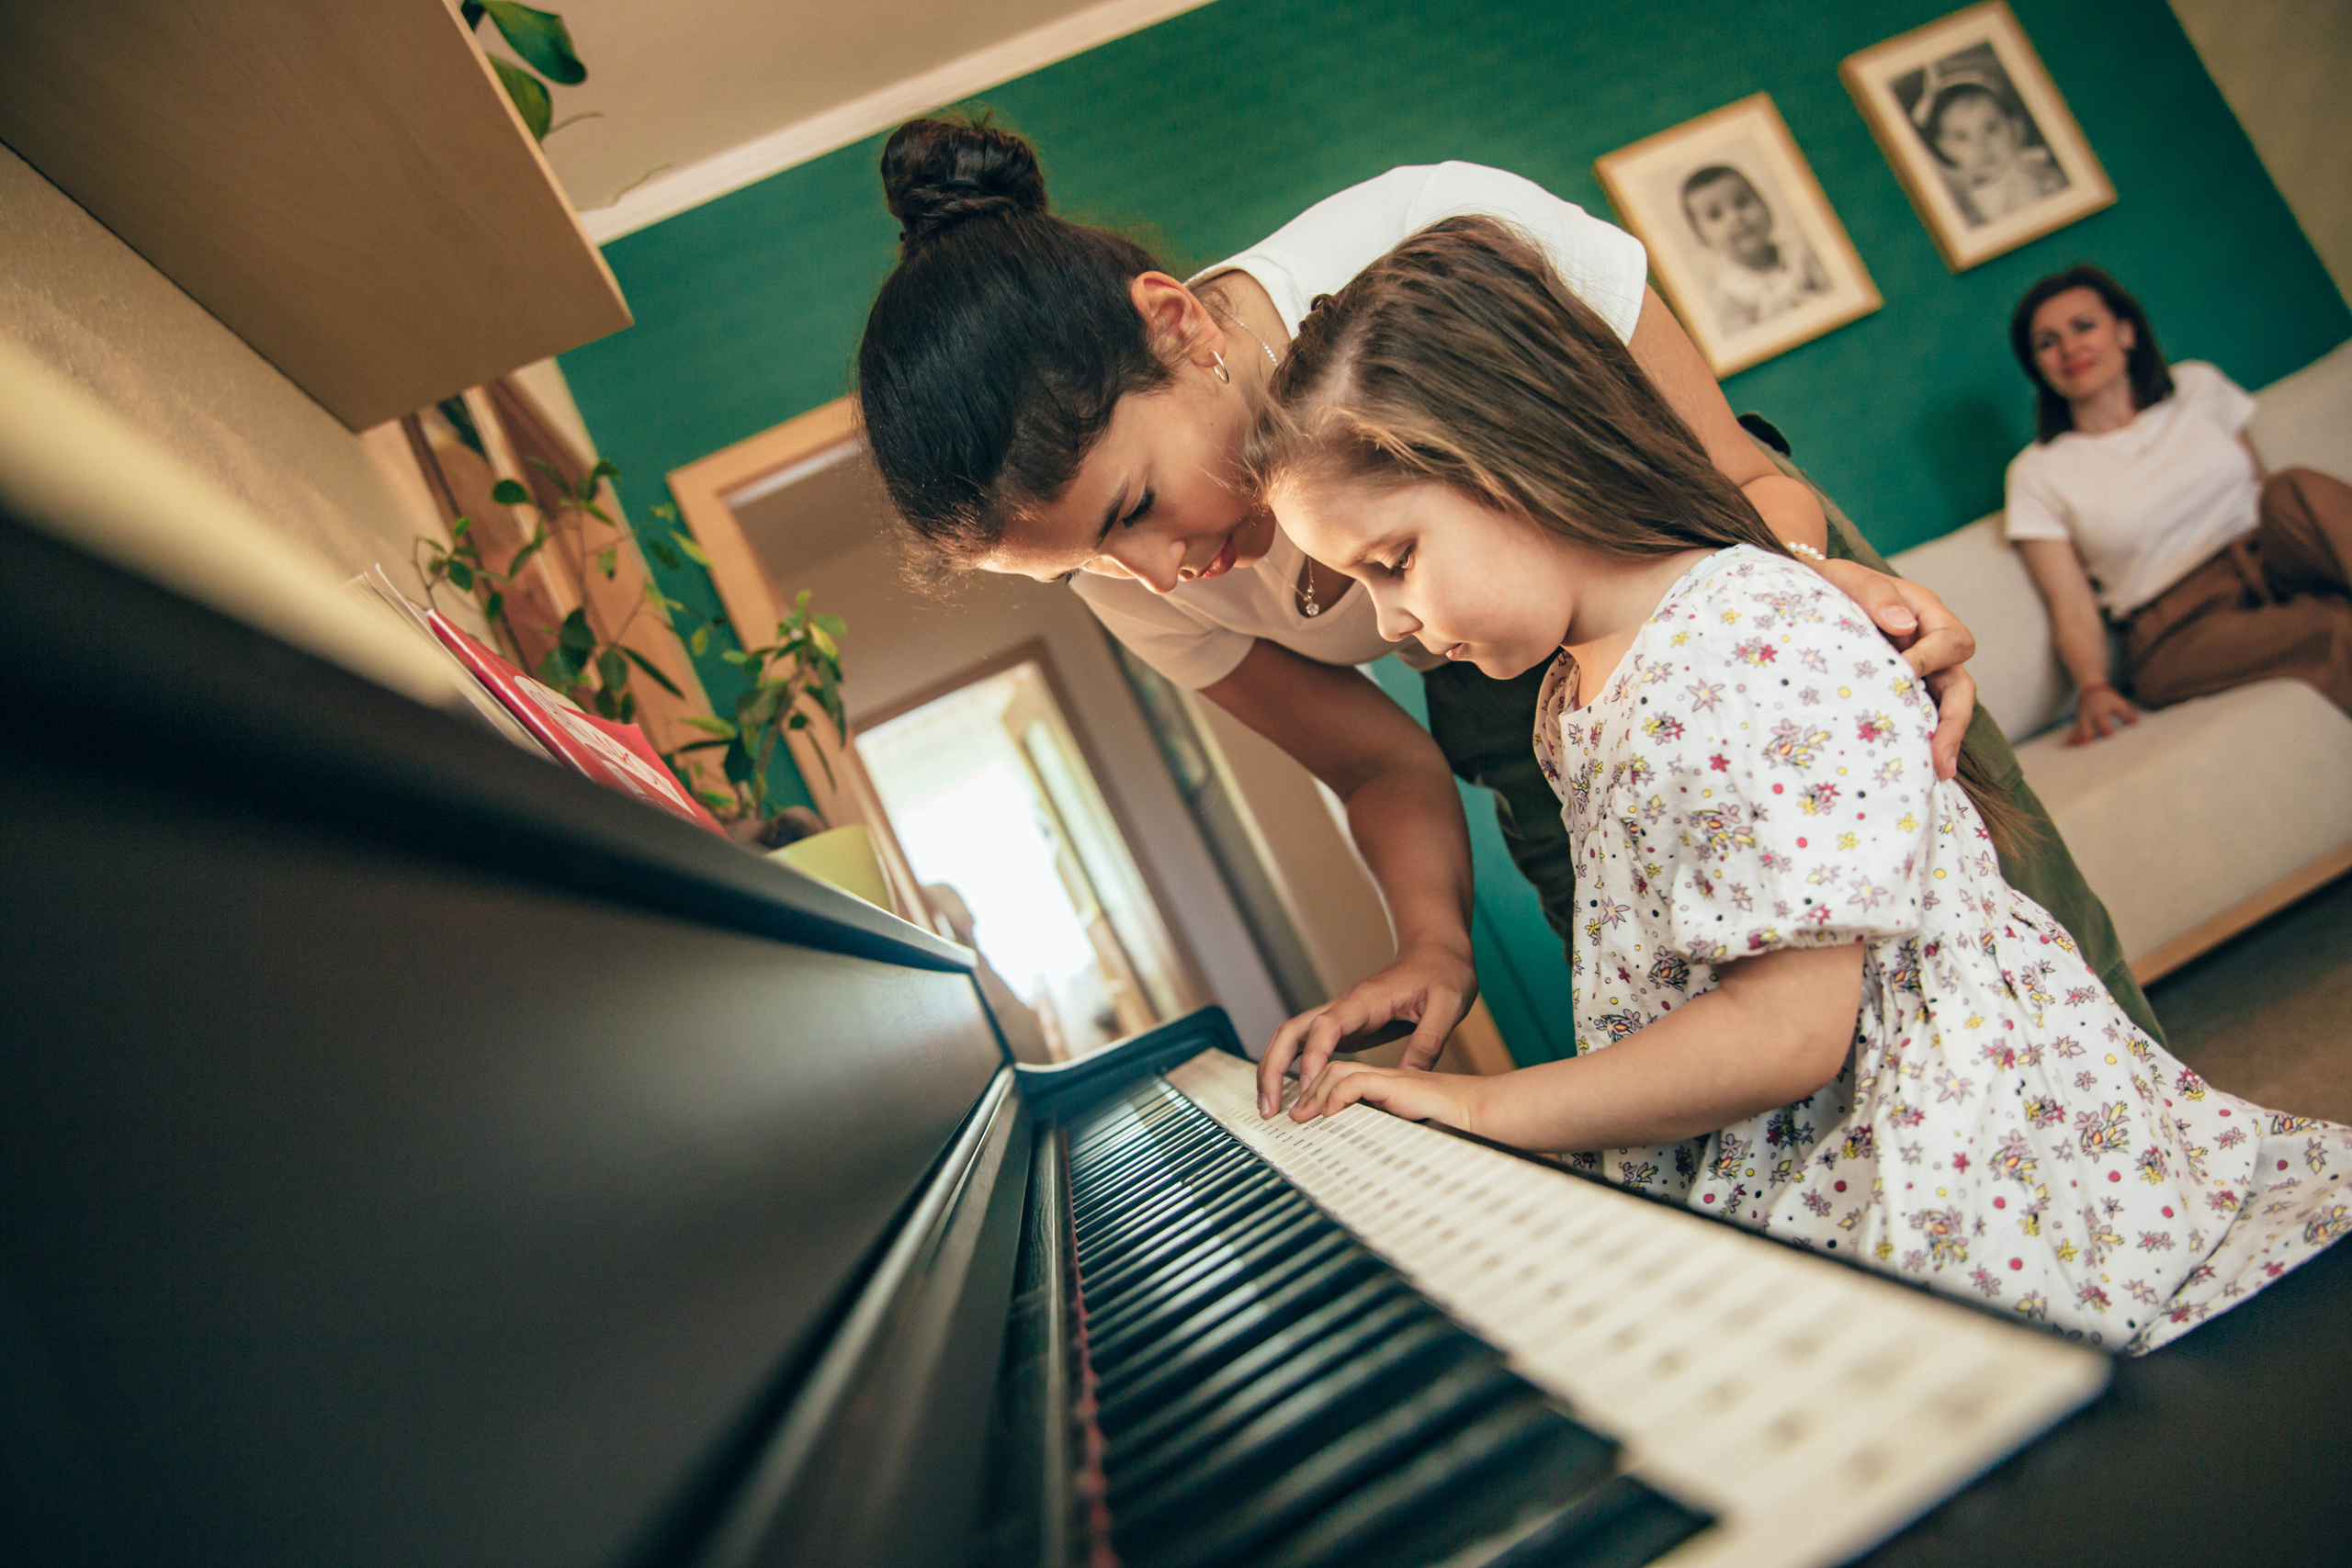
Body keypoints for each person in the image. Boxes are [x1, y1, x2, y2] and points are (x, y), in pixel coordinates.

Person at [854, 115, 2161, 1085]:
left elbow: (1736, 476)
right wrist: (1429, 943)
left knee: (1993, 918)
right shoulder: (1138, 582)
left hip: (1732, 560)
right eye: (1081, 565)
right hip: (1512, 706)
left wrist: (1809, 617)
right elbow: (1376, 761)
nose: (1148, 577)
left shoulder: (1433, 229)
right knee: (1691, 1044)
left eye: (1131, 508)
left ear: (1176, 325)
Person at [1248, 216, 2350, 1353]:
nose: (1393, 625)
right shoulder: (1573, 685)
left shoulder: (1745, 639)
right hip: (1786, 1143)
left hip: (1939, 1153)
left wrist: (1478, 1106)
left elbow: (1784, 1035)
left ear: (1512, 457)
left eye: (1391, 564)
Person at [2005, 265, 2352, 743]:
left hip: (2272, 559)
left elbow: (2270, 491)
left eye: (2084, 326)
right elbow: (2070, 603)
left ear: (2125, 332)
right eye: (2047, 342)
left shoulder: (2196, 386)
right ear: (2038, 367)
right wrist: (2093, 686)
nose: (2070, 348)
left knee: (2295, 487)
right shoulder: (2037, 472)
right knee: (2335, 629)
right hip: (2182, 625)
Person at [1678, 164, 1829, 334]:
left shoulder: (1801, 255)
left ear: (1765, 205)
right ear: (1702, 238)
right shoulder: (1728, 294)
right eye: (1716, 215)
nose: (1736, 217)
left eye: (1742, 203)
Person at [1914, 67, 2066, 227]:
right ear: (1944, 147)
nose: (1981, 145)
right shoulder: (1962, 188)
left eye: (1991, 128)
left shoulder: (2023, 178)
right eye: (1962, 137)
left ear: (2015, 128)